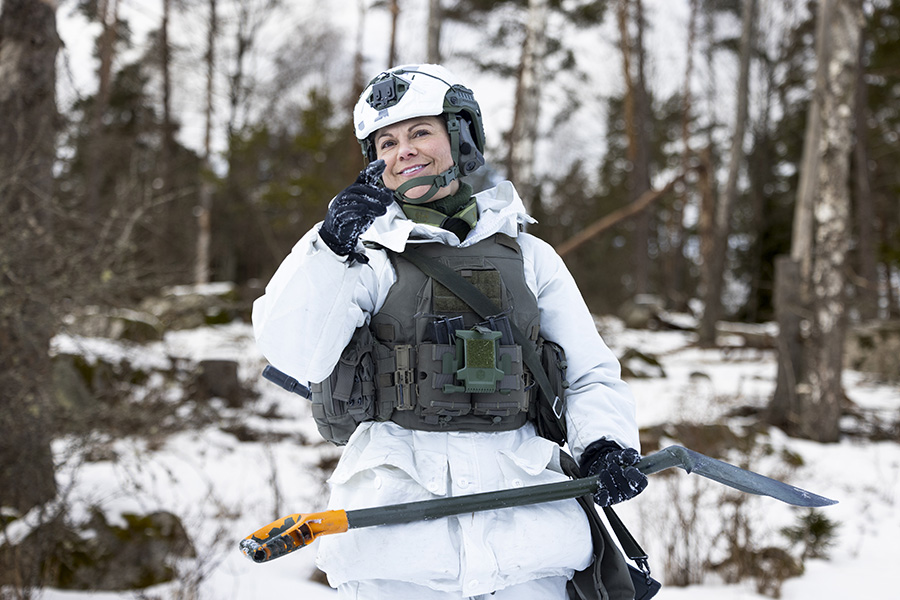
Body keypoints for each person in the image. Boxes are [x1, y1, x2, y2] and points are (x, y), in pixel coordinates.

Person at [252, 64, 647, 600]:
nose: (404, 151)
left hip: (527, 537)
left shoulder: (531, 255)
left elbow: (588, 372)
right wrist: (329, 247)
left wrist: (606, 443)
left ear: (461, 137)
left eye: (420, 132)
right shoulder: (361, 256)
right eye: (386, 143)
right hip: (398, 543)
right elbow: (294, 354)